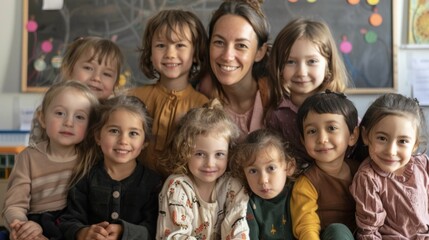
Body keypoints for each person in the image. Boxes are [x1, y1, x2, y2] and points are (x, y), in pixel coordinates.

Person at [2, 81, 99, 240]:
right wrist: (21, 226)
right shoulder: (28, 157)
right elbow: (14, 206)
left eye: (79, 117)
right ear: (42, 118)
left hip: (77, 226)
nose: (68, 122)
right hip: (37, 223)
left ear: (90, 127)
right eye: (60, 113)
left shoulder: (91, 158)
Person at [59, 96, 162, 240]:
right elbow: (69, 220)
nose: (123, 141)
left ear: (144, 142)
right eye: (114, 131)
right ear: (98, 137)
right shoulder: (84, 177)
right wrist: (83, 233)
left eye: (133, 133)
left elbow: (156, 229)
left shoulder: (153, 183)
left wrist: (123, 231)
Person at [128, 9, 209, 176]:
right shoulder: (133, 98)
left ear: (195, 53)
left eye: (180, 45)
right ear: (150, 53)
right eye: (160, 45)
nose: (170, 54)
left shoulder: (203, 106)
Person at [265, 17, 351, 175]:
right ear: (278, 67)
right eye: (290, 62)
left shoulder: (340, 109)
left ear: (328, 66)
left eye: (311, 61)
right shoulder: (277, 116)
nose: (301, 72)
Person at [156, 99, 249, 239]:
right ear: (184, 151)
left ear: (229, 154)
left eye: (219, 154)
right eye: (200, 154)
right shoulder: (177, 186)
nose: (210, 164)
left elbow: (238, 227)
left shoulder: (233, 186)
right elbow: (177, 236)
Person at [350, 93, 429, 239]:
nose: (391, 151)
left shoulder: (424, 165)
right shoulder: (368, 178)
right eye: (382, 138)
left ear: (415, 145)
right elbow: (369, 232)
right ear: (366, 136)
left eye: (403, 141)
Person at [30, 36, 125, 146]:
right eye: (88, 68)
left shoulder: (115, 115)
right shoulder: (49, 109)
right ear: (68, 70)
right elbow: (36, 153)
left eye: (107, 74)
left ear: (115, 84)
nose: (97, 78)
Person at [291, 90, 359, 240]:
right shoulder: (307, 182)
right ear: (303, 140)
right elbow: (306, 223)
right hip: (327, 236)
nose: (322, 139)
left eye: (331, 128)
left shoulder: (361, 171)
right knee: (338, 231)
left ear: (353, 136)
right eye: (312, 131)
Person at [207, 0, 270, 141]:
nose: (227, 56)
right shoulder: (199, 100)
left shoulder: (277, 100)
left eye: (241, 45)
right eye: (219, 42)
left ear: (259, 52)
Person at [229, 129, 296, 239]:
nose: (263, 180)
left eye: (271, 168)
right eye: (253, 171)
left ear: (289, 167)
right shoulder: (246, 204)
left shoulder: (299, 193)